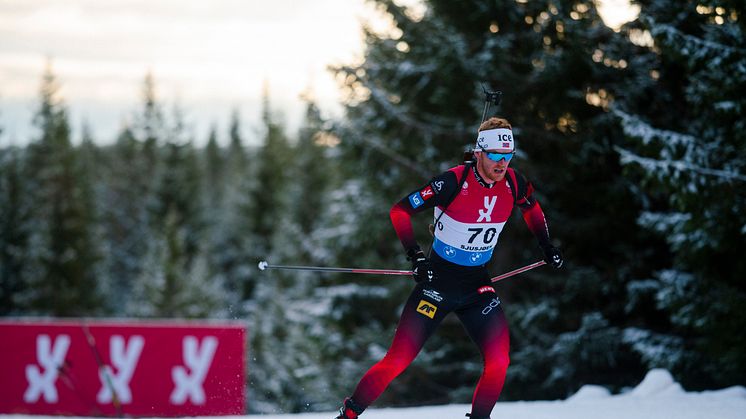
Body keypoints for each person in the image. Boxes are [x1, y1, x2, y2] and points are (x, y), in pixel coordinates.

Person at [334, 117, 563, 419]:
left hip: (477, 286)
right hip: (437, 284)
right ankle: (349, 414)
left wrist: (546, 245)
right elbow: (399, 210)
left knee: (499, 361)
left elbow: (531, 207)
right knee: (398, 360)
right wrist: (416, 256)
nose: (501, 163)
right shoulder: (452, 182)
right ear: (479, 152)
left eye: (507, 156)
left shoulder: (513, 183)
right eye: (495, 154)